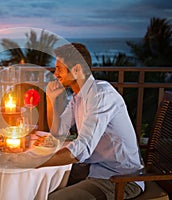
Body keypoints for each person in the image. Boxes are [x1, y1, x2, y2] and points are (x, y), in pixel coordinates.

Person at [41, 43, 144, 200]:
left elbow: (82, 149)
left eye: (59, 69)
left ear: (76, 70)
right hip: (95, 170)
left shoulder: (101, 95)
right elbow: (59, 132)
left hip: (121, 179)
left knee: (53, 198)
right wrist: (51, 100)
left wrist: (36, 162)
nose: (55, 74)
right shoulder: (78, 97)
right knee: (41, 189)